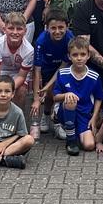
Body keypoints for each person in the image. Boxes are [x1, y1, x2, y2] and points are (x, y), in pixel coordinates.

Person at [53, 36, 103, 155]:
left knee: (89, 145)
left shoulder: (94, 76)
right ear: (69, 56)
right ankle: (70, 141)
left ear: (88, 56)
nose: (79, 58)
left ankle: (75, 133)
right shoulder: (63, 73)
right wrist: (66, 94)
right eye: (75, 55)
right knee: (71, 99)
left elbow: (98, 98)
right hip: (65, 111)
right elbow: (55, 97)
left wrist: (94, 117)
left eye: (82, 54)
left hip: (85, 115)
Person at [32, 9, 74, 137]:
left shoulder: (70, 38)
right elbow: (36, 72)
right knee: (49, 93)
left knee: (60, 90)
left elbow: (63, 66)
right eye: (53, 28)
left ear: (67, 26)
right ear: (47, 28)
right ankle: (45, 114)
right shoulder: (41, 41)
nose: (57, 31)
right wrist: (36, 99)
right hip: (47, 67)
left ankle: (58, 121)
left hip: (64, 67)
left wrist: (48, 86)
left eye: (61, 27)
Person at [0, 12, 33, 105]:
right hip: (1, 72)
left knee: (20, 92)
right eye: (11, 28)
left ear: (25, 31)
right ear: (4, 29)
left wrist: (8, 89)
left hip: (17, 73)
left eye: (19, 29)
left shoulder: (29, 50)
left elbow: (21, 76)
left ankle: (17, 118)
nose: (15, 32)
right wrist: (0, 89)